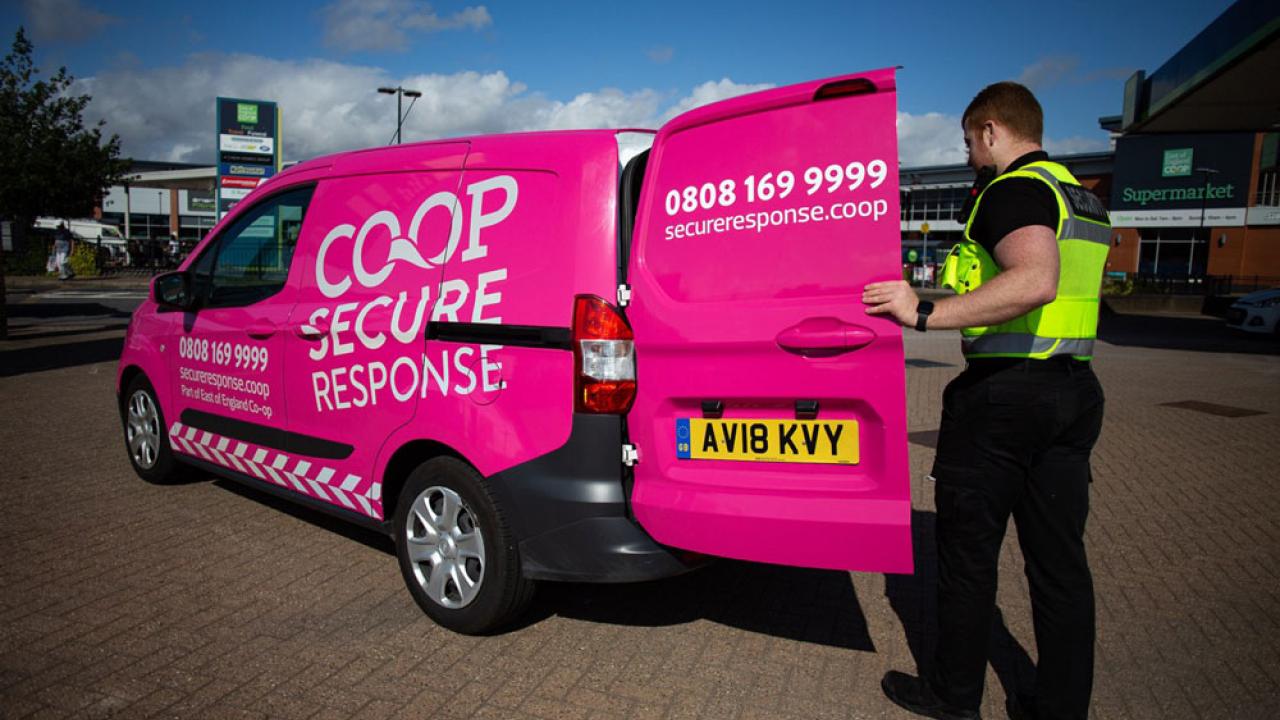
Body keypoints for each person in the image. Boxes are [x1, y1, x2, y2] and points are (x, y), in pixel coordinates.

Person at [865, 82, 1109, 720]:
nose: (970, 155)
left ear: (993, 131)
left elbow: (1036, 279)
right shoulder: (1079, 197)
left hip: (1005, 398)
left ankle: (953, 698)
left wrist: (923, 313)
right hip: (1073, 389)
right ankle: (1059, 709)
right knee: (1060, 568)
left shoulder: (1012, 189)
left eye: (969, 142)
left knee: (968, 557)